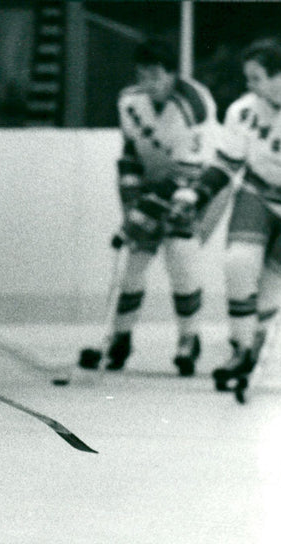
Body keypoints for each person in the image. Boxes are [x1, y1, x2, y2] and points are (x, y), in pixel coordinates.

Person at [81, 39, 219, 375]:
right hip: (148, 186)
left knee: (180, 258)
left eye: (156, 74)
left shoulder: (195, 105)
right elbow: (129, 155)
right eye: (142, 74)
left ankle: (189, 340)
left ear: (172, 74)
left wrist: (143, 214)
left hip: (192, 188)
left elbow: (188, 172)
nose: (148, 82)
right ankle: (120, 339)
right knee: (134, 261)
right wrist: (132, 209)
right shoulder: (130, 100)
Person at [172, 38, 281, 393]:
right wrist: (195, 193)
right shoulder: (243, 110)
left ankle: (255, 347)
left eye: (257, 77)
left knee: (271, 291)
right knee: (239, 264)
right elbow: (226, 163)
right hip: (257, 195)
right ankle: (240, 350)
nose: (250, 86)